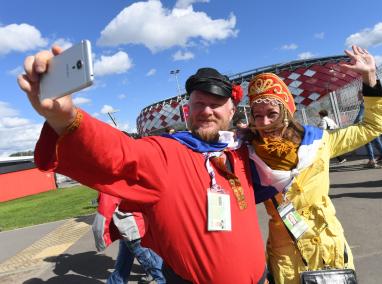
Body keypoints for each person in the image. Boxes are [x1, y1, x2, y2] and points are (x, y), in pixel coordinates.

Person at [17, 47, 267, 283]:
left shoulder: (242, 151)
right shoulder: (167, 152)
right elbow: (119, 153)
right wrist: (64, 117)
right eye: (199, 103)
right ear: (187, 110)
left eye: (216, 104)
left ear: (232, 111)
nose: (207, 111)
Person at [246, 45, 382, 284]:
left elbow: (372, 127)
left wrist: (369, 77)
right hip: (287, 256)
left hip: (329, 245)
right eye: (257, 115)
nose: (265, 122)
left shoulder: (320, 142)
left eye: (271, 113)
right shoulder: (247, 153)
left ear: (286, 111)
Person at [92, 192, 165, 284]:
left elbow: (102, 216)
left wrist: (100, 243)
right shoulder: (126, 179)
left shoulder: (109, 185)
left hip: (132, 230)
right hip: (136, 226)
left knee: (155, 267)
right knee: (123, 263)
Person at [353, 101, 382, 168]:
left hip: (370, 125)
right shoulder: (372, 101)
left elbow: (360, 115)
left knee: (377, 142)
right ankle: (371, 161)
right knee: (368, 143)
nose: (357, 96)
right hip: (373, 123)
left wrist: (354, 124)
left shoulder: (364, 103)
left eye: (359, 94)